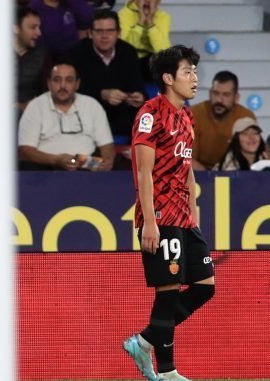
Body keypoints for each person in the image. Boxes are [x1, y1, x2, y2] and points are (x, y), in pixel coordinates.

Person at [124, 45, 215, 381]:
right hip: (160, 215)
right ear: (167, 78)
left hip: (184, 217)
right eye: (187, 71)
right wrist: (149, 221)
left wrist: (194, 210)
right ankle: (168, 371)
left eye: (194, 71)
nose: (194, 78)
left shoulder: (186, 115)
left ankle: (145, 340)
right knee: (168, 291)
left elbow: (187, 169)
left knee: (205, 286)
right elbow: (143, 172)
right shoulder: (150, 114)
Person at [18, 60, 115, 170]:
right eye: (57, 80)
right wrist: (56, 160)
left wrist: (107, 161)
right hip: (46, 168)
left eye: (69, 80)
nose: (62, 85)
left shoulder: (92, 105)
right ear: (49, 84)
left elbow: (107, 144)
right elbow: (25, 151)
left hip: (86, 167)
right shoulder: (35, 106)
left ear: (77, 84)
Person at [69, 9, 144, 138]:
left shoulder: (128, 52)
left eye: (110, 31)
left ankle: (138, 157)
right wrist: (101, 94)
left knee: (148, 119)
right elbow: (70, 90)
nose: (105, 36)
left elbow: (137, 85)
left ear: (118, 33)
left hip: (122, 114)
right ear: (90, 34)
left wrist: (139, 97)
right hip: (87, 114)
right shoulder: (76, 53)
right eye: (99, 31)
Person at [190, 71, 256, 170]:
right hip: (199, 175)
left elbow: (251, 157)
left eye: (226, 95)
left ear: (236, 98)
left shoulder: (246, 117)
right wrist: (209, 178)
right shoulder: (192, 114)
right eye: (216, 93)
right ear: (210, 93)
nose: (219, 100)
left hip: (235, 174)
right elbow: (184, 157)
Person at [118, 0, 170, 81]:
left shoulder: (163, 16)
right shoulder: (123, 14)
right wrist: (141, 22)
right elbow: (125, 48)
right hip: (129, 59)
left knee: (168, 61)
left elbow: (162, 50)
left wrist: (150, 22)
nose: (147, 1)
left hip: (151, 61)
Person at [28, 0, 94, 59]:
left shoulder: (68, 4)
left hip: (75, 55)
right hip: (51, 60)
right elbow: (38, 46)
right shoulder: (35, 8)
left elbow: (87, 17)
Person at [15, 6, 49, 112]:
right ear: (15, 28)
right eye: (33, 27)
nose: (39, 33)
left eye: (39, 28)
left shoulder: (43, 54)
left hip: (33, 115)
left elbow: (47, 94)